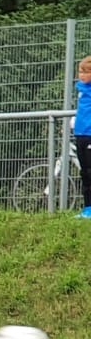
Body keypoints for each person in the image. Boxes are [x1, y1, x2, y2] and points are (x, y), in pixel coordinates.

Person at [76, 55, 91, 218]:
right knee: (84, 173)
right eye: (80, 71)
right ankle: (87, 208)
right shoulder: (81, 89)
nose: (82, 75)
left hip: (90, 134)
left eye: (86, 72)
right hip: (80, 133)